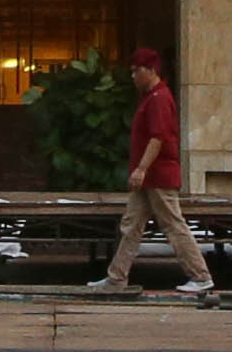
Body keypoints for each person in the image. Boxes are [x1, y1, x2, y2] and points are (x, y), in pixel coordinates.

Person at [83, 41, 211, 296]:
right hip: (148, 178)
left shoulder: (159, 98)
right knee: (131, 225)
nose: (133, 76)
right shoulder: (150, 98)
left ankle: (201, 276)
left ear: (150, 70)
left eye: (136, 70)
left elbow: (158, 137)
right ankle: (116, 278)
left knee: (173, 225)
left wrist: (141, 169)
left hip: (158, 175)